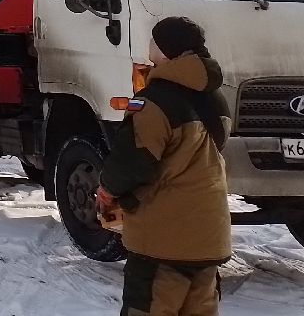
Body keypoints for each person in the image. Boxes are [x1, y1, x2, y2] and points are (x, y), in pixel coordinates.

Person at [98, 16, 232, 316]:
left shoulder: (153, 103)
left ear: (164, 49)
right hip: (209, 237)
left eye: (153, 40)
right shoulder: (217, 100)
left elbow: (131, 163)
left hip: (162, 242)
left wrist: (107, 191)